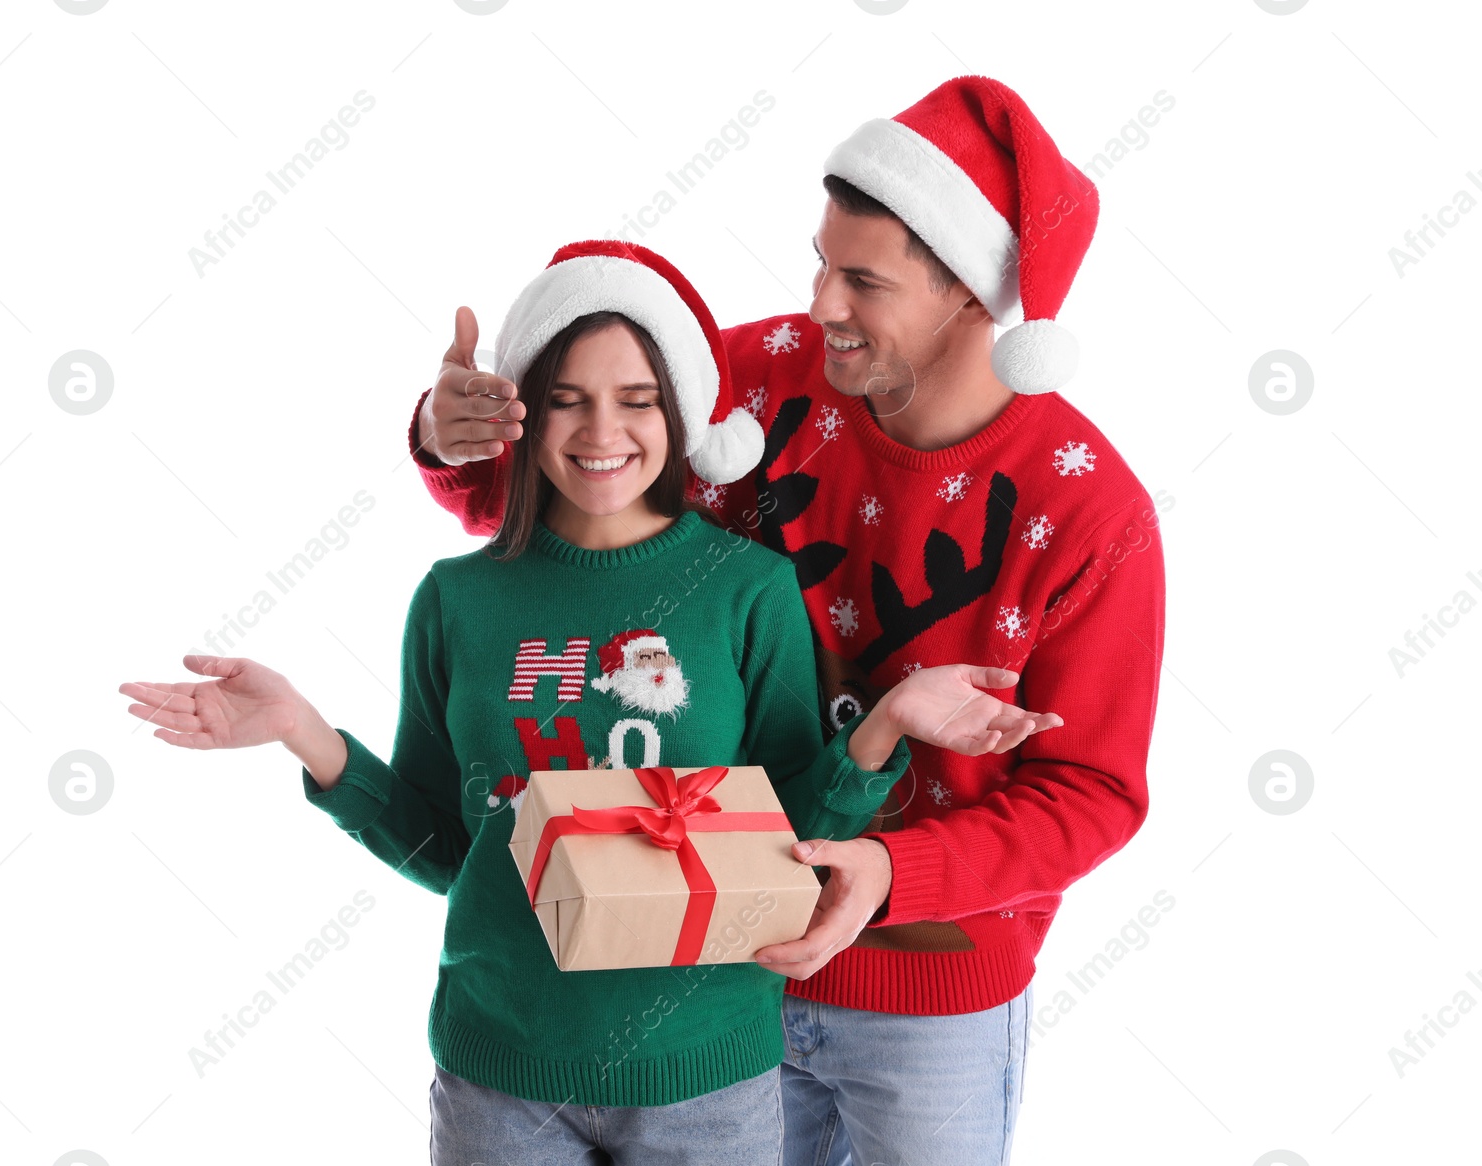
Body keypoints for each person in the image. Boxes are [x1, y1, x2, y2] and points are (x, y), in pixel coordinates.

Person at [119, 238, 1061, 1166]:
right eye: (566, 400)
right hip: (502, 1081)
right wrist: (301, 730)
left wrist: (888, 722)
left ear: (680, 413)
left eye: (636, 401)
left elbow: (791, 847)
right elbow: (451, 851)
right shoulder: (457, 599)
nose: (601, 433)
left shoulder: (747, 590)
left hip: (708, 1078)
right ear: (522, 415)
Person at [405, 76, 1167, 1165]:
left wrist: (895, 872)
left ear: (967, 293)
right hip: (703, 972)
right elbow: (570, 509)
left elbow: (1094, 793)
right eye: (819, 261)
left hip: (926, 996)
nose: (819, 302)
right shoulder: (758, 382)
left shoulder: (1087, 509)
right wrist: (456, 436)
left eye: (861, 278)